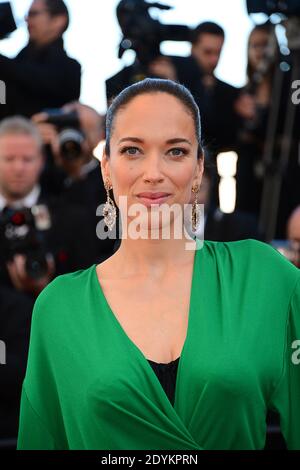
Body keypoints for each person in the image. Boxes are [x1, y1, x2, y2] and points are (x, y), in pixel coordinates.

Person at [17, 79, 300, 450]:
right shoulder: (60, 307)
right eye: (132, 150)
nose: (153, 172)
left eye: (176, 152)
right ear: (106, 167)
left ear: (199, 168)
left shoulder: (263, 277)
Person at [0, 0, 81, 119]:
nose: (27, 20)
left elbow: (42, 80)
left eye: (33, 14)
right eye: (27, 15)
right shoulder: (17, 62)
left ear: (58, 20)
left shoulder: (70, 68)